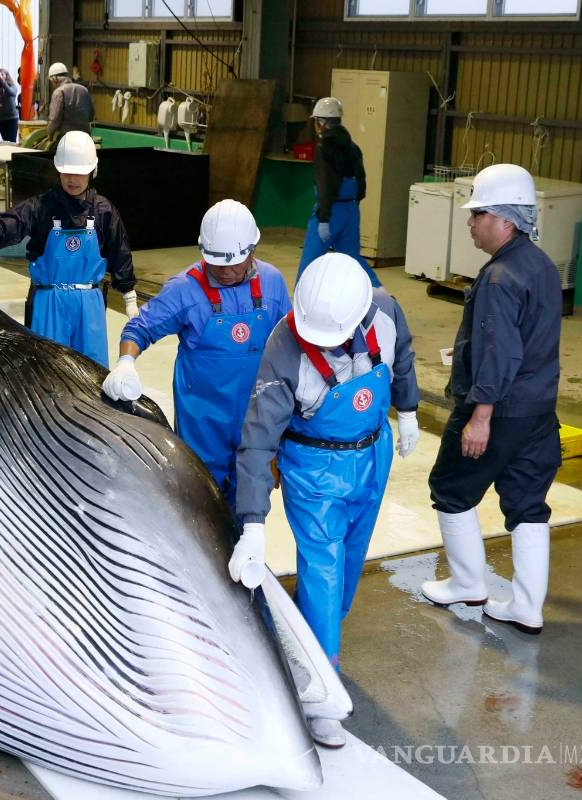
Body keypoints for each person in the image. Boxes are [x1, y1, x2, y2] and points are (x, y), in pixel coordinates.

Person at [227, 252, 419, 748]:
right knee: (324, 571)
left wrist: (410, 408)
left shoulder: (386, 311)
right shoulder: (284, 347)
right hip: (314, 472)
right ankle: (320, 693)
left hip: (372, 458)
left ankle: (307, 638)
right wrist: (252, 522)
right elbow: (258, 437)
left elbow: (403, 357)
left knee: (348, 568)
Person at [420, 163, 561, 636]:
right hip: (539, 412)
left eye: (478, 213)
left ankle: (467, 583)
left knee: (451, 488)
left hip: (497, 410)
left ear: (505, 220)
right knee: (528, 504)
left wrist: (480, 415)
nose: (470, 222)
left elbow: (500, 352)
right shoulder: (541, 265)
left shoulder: (500, 277)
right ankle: (527, 607)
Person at [105, 201, 290, 507]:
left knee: (253, 504)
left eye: (234, 263)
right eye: (217, 264)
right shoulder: (184, 289)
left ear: (252, 251)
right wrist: (126, 362)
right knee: (204, 503)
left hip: (257, 420)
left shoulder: (272, 282)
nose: (226, 272)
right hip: (204, 425)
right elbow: (139, 328)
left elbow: (291, 343)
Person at [0, 130, 136, 367]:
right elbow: (9, 224)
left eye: (79, 173)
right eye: (67, 172)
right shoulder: (42, 207)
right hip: (48, 303)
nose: (72, 179)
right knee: (48, 369)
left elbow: (120, 250)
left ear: (92, 171)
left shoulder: (103, 211)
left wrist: (129, 296)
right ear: (57, 170)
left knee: (93, 371)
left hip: (89, 306)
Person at [297, 97, 380, 287]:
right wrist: (351, 207)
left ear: (322, 122)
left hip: (330, 212)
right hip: (351, 210)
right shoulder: (353, 147)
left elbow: (326, 185)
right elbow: (361, 183)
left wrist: (324, 218)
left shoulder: (323, 148)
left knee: (310, 263)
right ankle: (379, 294)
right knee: (352, 261)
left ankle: (300, 311)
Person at [44, 62, 92, 150]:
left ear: (54, 78)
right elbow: (91, 115)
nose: (52, 84)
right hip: (85, 140)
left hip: (66, 141)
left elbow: (55, 119)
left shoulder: (58, 92)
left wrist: (50, 135)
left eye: (51, 82)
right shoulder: (84, 90)